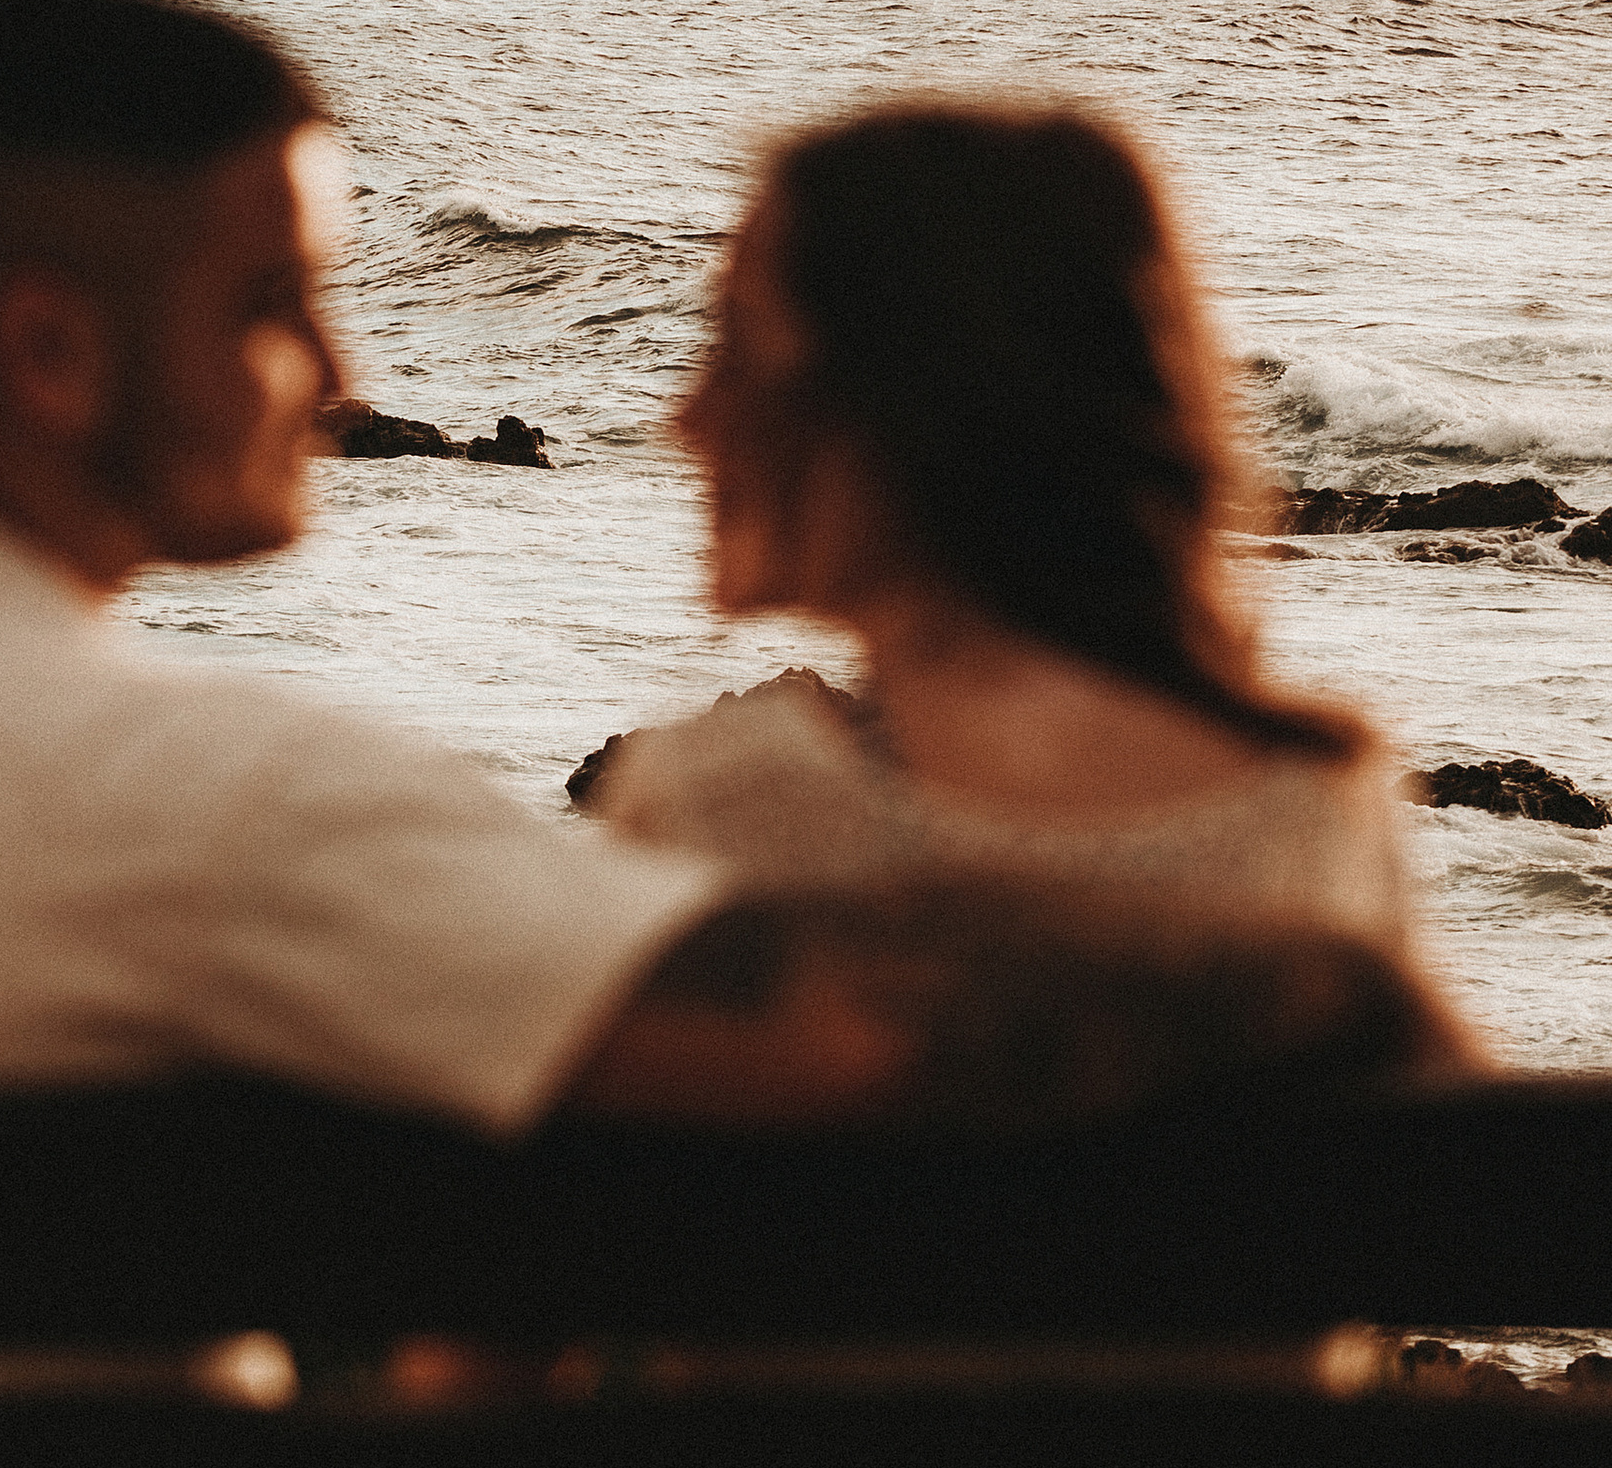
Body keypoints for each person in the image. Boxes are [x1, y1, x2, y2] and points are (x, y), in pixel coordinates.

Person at [0, 0, 1442, 1127]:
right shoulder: (196, 800)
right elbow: (852, 1034)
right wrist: (1329, 949)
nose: (342, 376)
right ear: (48, 348)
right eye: (273, 305)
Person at [594, 100, 1464, 1039]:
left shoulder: (724, 806)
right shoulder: (1318, 814)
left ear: (914, 402)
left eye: (740, 350)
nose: (687, 416)